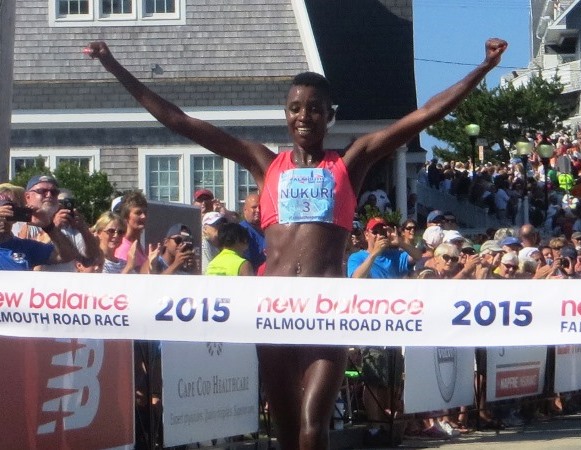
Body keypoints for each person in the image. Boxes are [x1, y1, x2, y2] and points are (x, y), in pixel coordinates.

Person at [85, 37, 508, 450]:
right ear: (285, 114)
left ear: (329, 116)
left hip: (326, 308)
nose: (304, 116)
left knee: (312, 429)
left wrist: (483, 69)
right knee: (287, 432)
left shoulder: (350, 161)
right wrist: (113, 65)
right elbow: (180, 121)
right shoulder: (263, 162)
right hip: (274, 308)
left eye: (314, 109)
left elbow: (425, 115)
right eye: (295, 108)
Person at [239, 192, 266, 271]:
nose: (258, 210)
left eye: (260, 207)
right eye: (254, 207)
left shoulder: (269, 230)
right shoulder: (241, 230)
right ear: (245, 210)